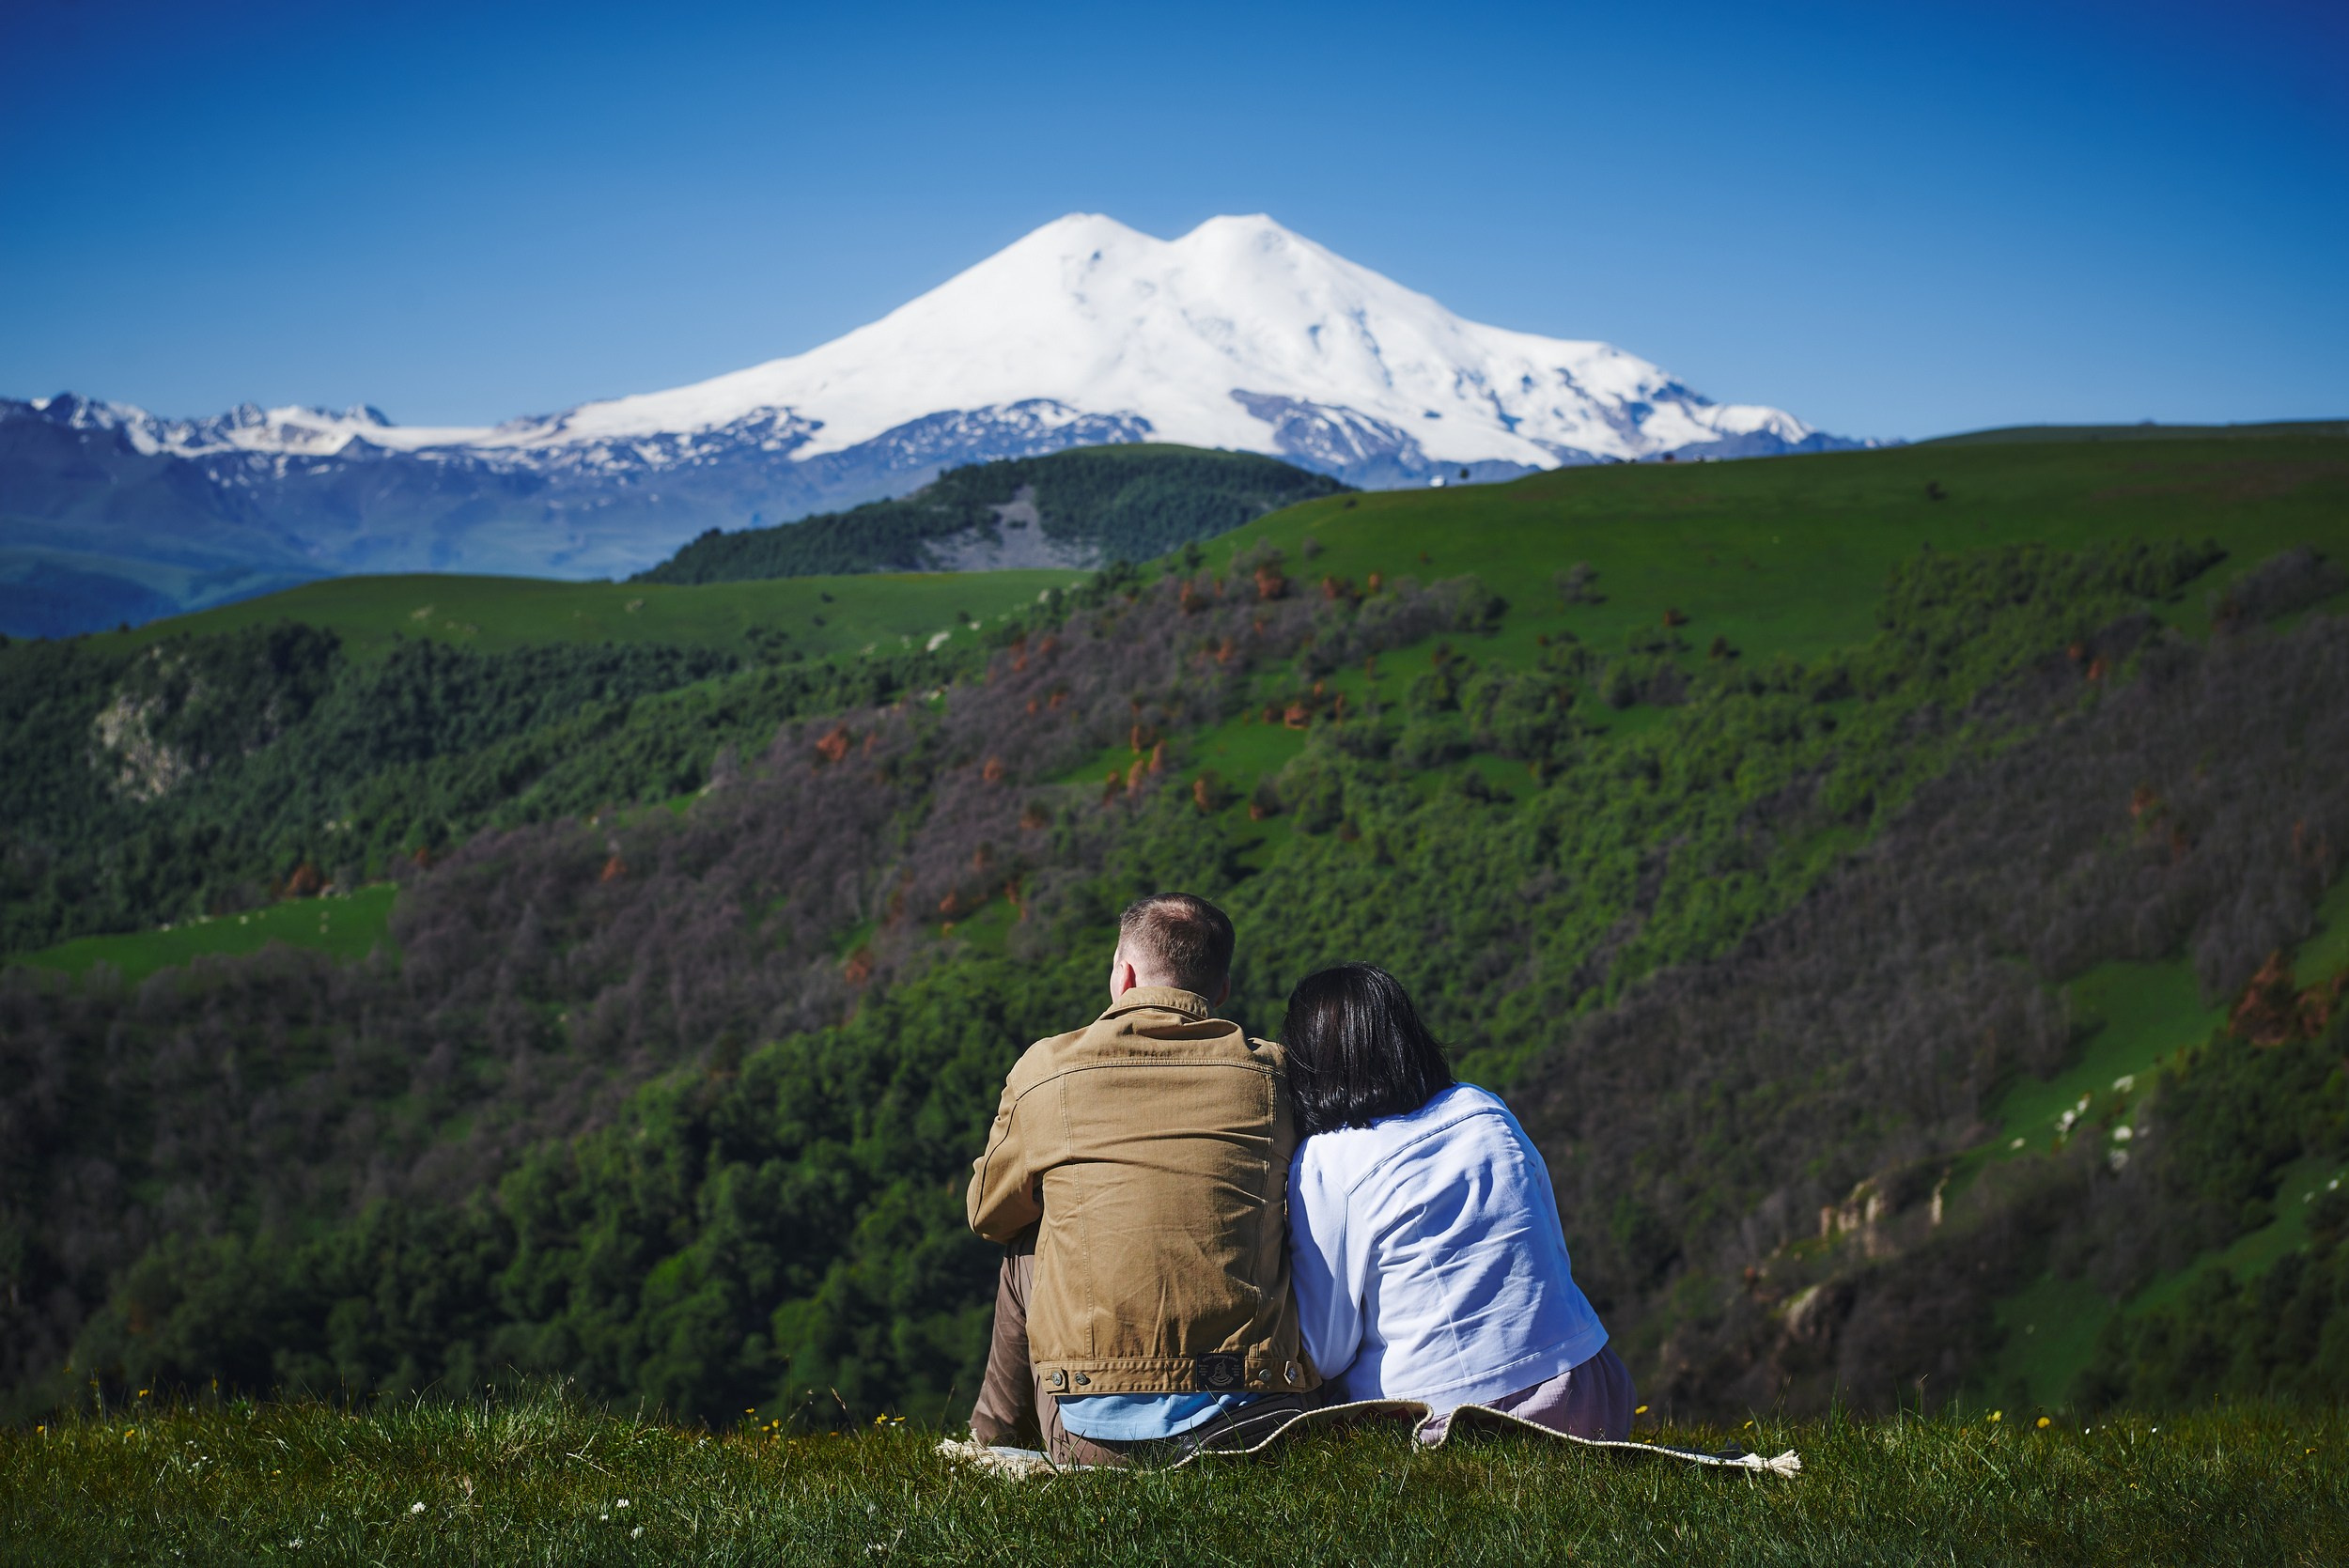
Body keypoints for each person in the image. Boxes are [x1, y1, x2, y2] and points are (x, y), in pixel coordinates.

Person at [965, 893, 1319, 1465]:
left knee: (1027, 1246)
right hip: (1258, 1422)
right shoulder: (1275, 1075)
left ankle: (990, 1444)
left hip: (1093, 1439)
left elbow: (988, 1213)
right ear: (1221, 990)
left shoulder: (1046, 1070)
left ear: (1123, 974)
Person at [1283, 962, 1635, 1439]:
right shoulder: (1481, 1106)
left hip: (1450, 1418)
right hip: (1586, 1388)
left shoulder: (1327, 1159)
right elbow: (1551, 1246)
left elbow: (1325, 1350)